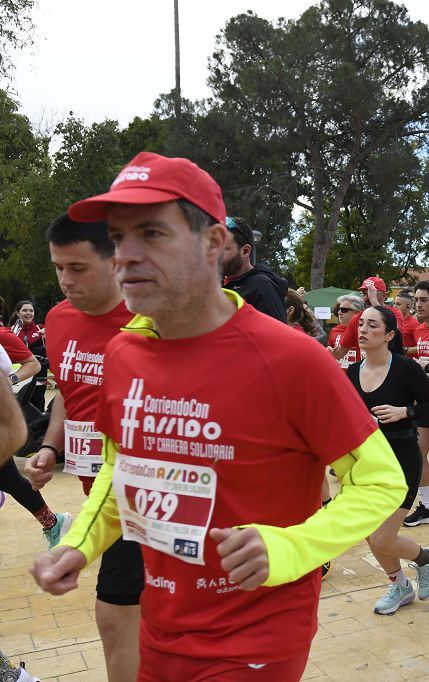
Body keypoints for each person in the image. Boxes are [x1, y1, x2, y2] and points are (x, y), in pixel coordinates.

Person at [31, 151, 407, 680]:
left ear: (212, 242)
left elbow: (380, 483)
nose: (126, 257)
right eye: (118, 238)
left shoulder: (290, 358)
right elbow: (121, 473)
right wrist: (78, 543)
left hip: (255, 637)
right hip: (161, 628)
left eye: (152, 235)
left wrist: (292, 545)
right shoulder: (123, 353)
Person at [21, 214, 143, 681]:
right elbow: (67, 395)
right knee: (115, 618)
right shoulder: (58, 318)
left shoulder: (146, 318)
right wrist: (52, 448)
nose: (65, 281)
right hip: (101, 496)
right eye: (58, 268)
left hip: (151, 493)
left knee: (132, 614)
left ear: (113, 263)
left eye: (78, 268)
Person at [347, 306, 429, 614]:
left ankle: (427, 558)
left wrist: (406, 412)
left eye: (372, 325)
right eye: (360, 324)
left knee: (382, 536)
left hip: (402, 460)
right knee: (368, 533)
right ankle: (399, 585)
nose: (362, 329)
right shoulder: (351, 373)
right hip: (366, 463)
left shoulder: (406, 369)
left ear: (389, 335)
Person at [0, 327, 71, 547]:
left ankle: (53, 523)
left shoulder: (3, 334)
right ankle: (53, 523)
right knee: (8, 478)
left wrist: (8, 380)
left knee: (8, 477)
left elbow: (32, 364)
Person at [404, 280, 429, 527]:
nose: (418, 304)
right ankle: (427, 507)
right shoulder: (418, 330)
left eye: (424, 300)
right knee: (417, 453)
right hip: (427, 401)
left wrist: (427, 365)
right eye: (416, 300)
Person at [222, 216, 289, 323]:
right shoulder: (215, 284)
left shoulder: (262, 286)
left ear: (245, 251)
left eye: (223, 249)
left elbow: (277, 336)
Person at [329, 294, 364, 366]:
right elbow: (333, 353)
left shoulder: (364, 330)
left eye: (344, 310)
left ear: (356, 312)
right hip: (339, 375)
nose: (339, 313)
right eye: (339, 309)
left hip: (358, 375)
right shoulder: (334, 330)